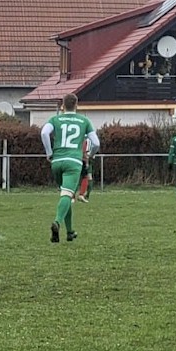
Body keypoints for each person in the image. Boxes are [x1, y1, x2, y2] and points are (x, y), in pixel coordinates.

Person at [41, 93, 100, 243]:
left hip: (57, 161)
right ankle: (57, 222)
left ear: (62, 105)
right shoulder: (84, 120)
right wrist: (90, 154)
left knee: (66, 194)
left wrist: (49, 153)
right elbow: (96, 143)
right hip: (73, 162)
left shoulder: (55, 119)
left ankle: (70, 232)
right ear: (76, 105)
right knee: (67, 195)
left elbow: (44, 133)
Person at [76, 138, 94, 203]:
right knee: (87, 177)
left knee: (85, 177)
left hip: (84, 159)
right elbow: (85, 152)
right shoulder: (88, 140)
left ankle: (83, 195)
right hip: (85, 160)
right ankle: (82, 195)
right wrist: (87, 162)